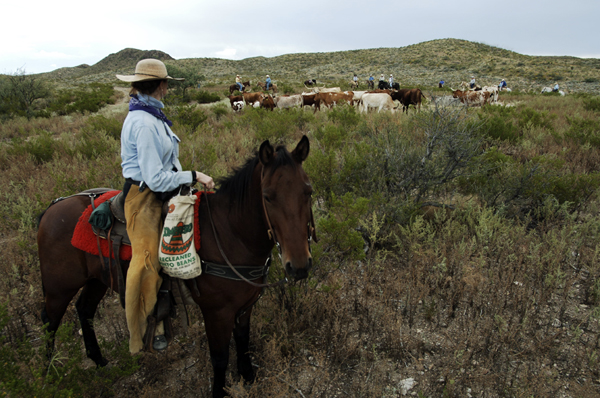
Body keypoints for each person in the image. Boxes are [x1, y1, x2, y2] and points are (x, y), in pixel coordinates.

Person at [116, 59, 215, 354]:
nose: (168, 87)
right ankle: (143, 330)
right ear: (161, 85)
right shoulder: (145, 123)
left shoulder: (152, 115)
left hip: (166, 189)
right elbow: (156, 179)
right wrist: (195, 176)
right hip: (144, 197)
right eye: (167, 83)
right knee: (147, 260)